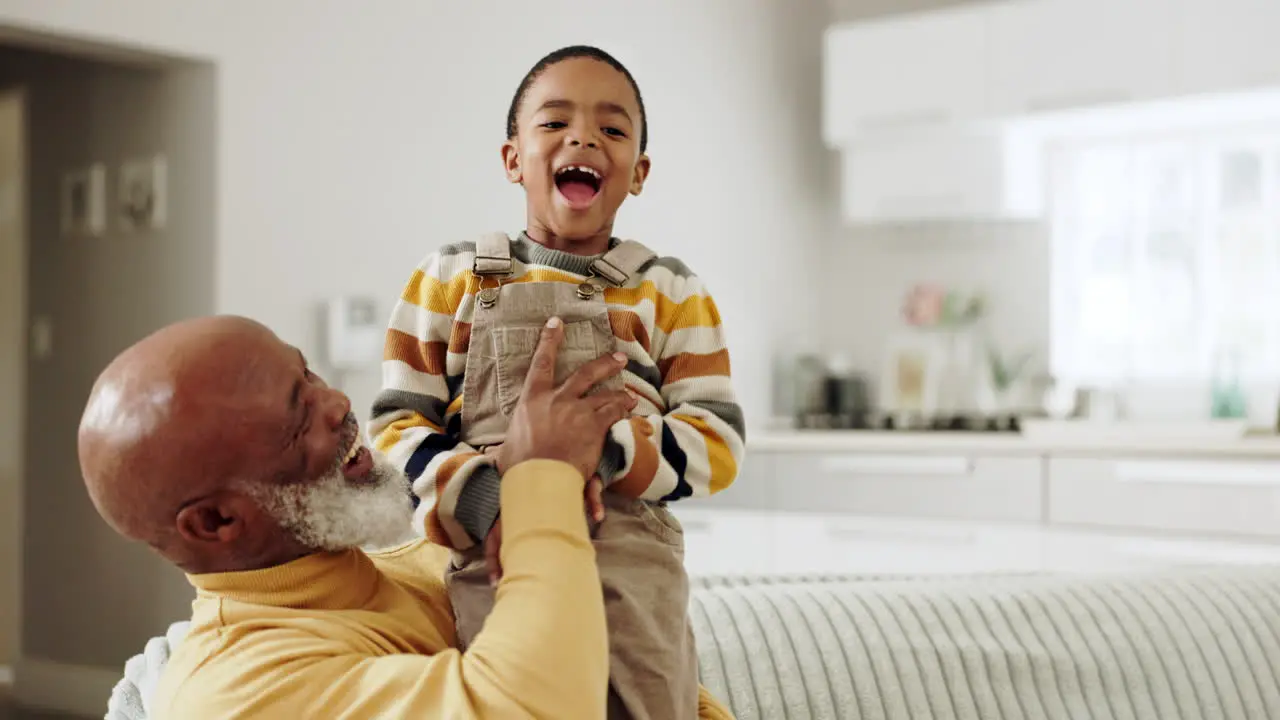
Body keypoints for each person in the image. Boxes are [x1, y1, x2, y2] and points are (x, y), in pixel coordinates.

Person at [77, 314, 731, 719]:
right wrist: (544, 481)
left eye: (310, 377)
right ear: (217, 522)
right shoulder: (237, 694)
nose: (338, 405)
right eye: (295, 421)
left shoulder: (434, 559)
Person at [370, 45, 745, 720]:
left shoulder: (671, 292)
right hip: (496, 549)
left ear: (639, 173)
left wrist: (604, 452)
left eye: (612, 128)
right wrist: (484, 499)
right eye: (555, 123)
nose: (583, 137)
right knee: (517, 700)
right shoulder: (449, 277)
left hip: (632, 557)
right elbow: (395, 431)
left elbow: (717, 441)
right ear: (513, 159)